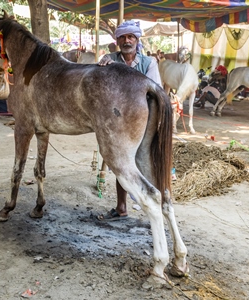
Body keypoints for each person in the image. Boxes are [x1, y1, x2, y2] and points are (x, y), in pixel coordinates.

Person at [97, 20, 162, 221]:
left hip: (142, 121)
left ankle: (155, 208)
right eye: (123, 37)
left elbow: (156, 92)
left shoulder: (149, 63)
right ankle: (122, 207)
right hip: (117, 122)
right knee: (120, 164)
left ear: (137, 40)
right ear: (117, 40)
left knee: (144, 162)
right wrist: (103, 67)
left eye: (131, 37)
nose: (127, 40)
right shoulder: (109, 60)